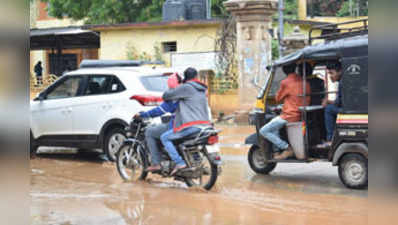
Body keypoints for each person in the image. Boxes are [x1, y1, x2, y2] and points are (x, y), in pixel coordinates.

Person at [161, 67, 211, 175]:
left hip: (192, 125)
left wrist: (173, 86)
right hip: (205, 126)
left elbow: (166, 96)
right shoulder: (202, 89)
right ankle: (197, 162)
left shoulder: (186, 88)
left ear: (185, 77)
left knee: (164, 137)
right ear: (196, 76)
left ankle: (179, 163)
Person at [260, 63, 311, 160]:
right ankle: (277, 152)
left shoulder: (286, 82)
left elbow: (278, 98)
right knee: (274, 127)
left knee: (264, 130)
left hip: (289, 116)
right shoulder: (305, 82)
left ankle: (286, 148)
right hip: (301, 113)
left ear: (284, 71)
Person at [134, 73, 181, 172]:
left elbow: (159, 111)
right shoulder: (189, 92)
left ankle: (156, 163)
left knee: (150, 132)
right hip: (195, 124)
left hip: (177, 125)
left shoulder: (172, 95)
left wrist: (143, 115)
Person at [321, 61, 343, 146]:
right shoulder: (343, 81)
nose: (330, 76)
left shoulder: (342, 83)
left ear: (340, 71)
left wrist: (328, 101)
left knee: (328, 109)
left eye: (331, 73)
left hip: (347, 110)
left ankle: (330, 139)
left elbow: (338, 102)